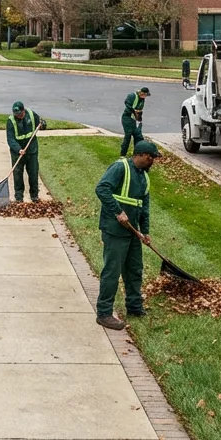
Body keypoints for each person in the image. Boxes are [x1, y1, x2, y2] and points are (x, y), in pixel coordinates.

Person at [95, 140, 159, 330]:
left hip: (133, 232)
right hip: (115, 231)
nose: (152, 161)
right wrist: (117, 211)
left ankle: (134, 306)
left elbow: (143, 207)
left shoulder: (145, 177)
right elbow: (101, 189)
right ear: (140, 155)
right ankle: (104, 313)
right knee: (112, 272)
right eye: (151, 158)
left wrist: (145, 231)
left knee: (134, 270)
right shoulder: (120, 167)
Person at [6, 101, 47, 203]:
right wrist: (18, 149)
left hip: (31, 149)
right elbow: (10, 139)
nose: (18, 116)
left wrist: (42, 125)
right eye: (16, 114)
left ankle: (34, 195)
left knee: (33, 172)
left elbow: (41, 124)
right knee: (18, 174)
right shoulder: (11, 121)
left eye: (20, 114)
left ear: (23, 110)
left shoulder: (32, 115)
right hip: (17, 152)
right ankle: (19, 196)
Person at [120, 87, 150, 157]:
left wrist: (139, 119)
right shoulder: (132, 96)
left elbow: (140, 110)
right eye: (144, 95)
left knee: (138, 136)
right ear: (141, 93)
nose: (145, 97)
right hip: (127, 118)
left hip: (136, 119)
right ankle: (123, 154)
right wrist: (134, 111)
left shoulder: (142, 100)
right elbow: (127, 104)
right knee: (128, 135)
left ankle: (137, 154)